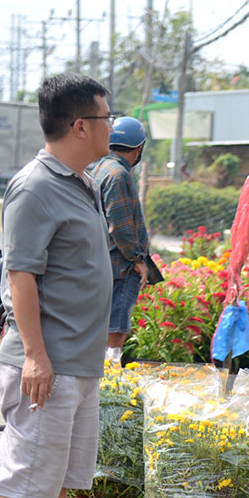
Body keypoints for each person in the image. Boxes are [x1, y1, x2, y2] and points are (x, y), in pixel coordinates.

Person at [0, 73, 115, 498]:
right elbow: (22, 276)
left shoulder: (78, 180)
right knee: (20, 475)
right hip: (45, 365)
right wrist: (35, 355)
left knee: (57, 477)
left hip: (76, 365)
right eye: (105, 117)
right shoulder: (36, 185)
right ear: (81, 126)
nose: (112, 125)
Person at [87, 115, 152, 364]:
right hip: (121, 267)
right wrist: (137, 260)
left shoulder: (101, 168)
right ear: (138, 148)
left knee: (106, 328)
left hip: (104, 263)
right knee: (116, 331)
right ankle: (110, 382)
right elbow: (121, 225)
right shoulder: (118, 175)